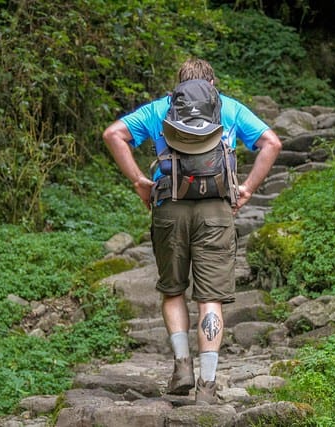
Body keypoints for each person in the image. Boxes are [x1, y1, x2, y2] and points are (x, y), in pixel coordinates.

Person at [102, 58, 282, 404]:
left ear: (179, 85)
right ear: (212, 83)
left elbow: (113, 134)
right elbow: (271, 143)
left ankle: (182, 366)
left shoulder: (161, 109)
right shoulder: (228, 108)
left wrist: (140, 181)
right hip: (217, 209)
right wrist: (246, 190)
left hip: (168, 205)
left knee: (173, 290)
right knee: (210, 297)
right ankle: (208, 387)